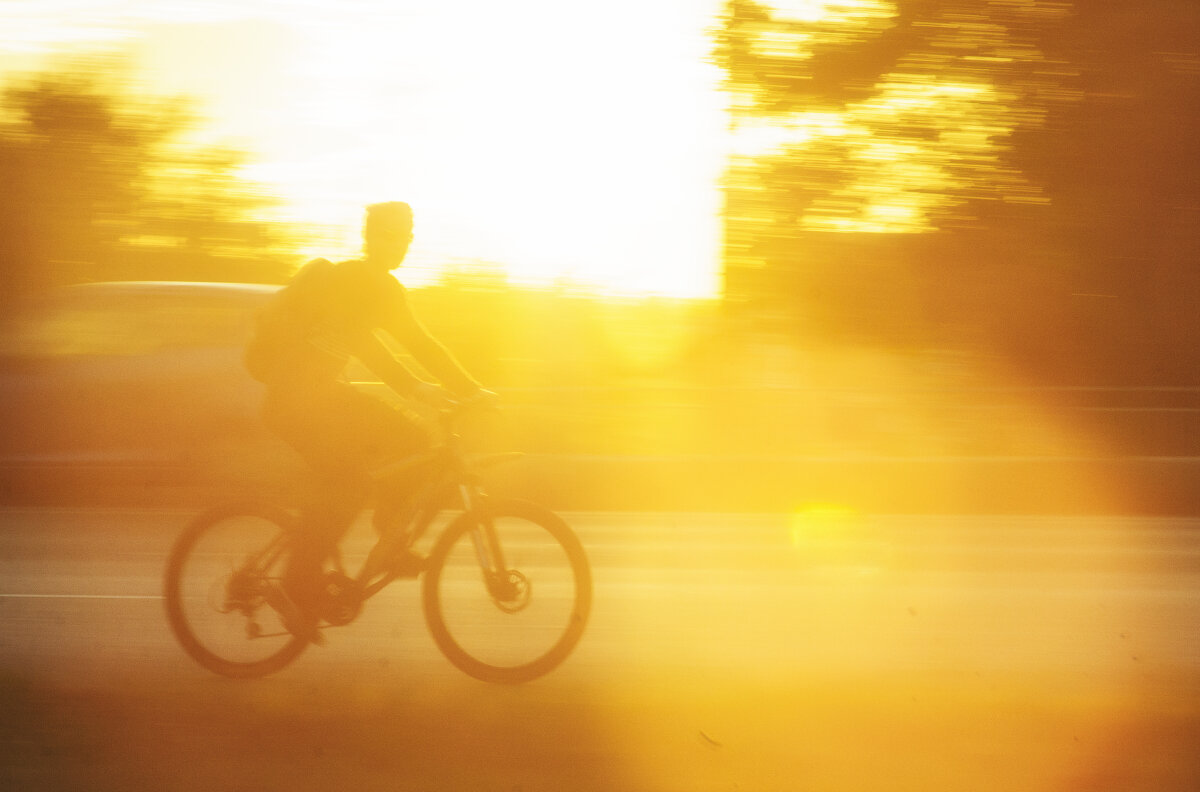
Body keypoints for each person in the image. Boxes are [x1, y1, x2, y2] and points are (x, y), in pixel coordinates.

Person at [245, 201, 489, 636]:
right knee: (350, 483)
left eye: (407, 237)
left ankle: (390, 541)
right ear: (370, 237)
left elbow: (408, 346)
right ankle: (296, 586)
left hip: (323, 397)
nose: (401, 245)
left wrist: (457, 390)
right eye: (391, 236)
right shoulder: (353, 282)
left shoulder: (384, 289)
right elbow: (393, 347)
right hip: (293, 402)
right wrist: (446, 390)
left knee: (413, 438)